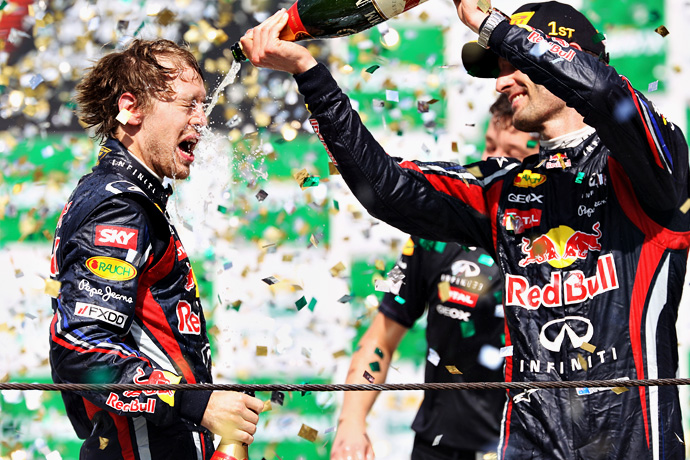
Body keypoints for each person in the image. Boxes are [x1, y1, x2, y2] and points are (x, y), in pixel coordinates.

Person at [239, 1, 690, 458]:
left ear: (566, 57)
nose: (500, 83)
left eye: (513, 65)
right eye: (499, 68)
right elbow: (385, 188)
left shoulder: (650, 166)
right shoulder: (503, 190)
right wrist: (309, 73)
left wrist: (490, 26)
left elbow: (606, 93)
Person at [48, 39, 263, 459]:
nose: (202, 119)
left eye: (203, 105)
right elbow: (81, 348)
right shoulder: (119, 207)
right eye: (188, 104)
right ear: (131, 109)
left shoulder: (127, 196)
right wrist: (198, 404)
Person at [330, 94, 537, 460]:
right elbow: (381, 337)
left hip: (529, 446)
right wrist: (351, 422)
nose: (493, 163)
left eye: (512, 155)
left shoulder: (561, 245)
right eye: (490, 147)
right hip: (441, 447)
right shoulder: (438, 233)